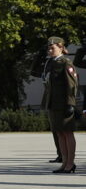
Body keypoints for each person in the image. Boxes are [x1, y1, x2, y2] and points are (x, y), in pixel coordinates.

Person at [41, 36, 78, 174]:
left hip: (64, 104)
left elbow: (72, 85)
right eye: (49, 48)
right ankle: (64, 163)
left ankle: (70, 163)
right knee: (60, 133)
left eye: (53, 48)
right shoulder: (51, 63)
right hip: (54, 103)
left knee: (67, 133)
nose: (50, 50)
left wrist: (71, 104)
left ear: (61, 47)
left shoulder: (65, 63)